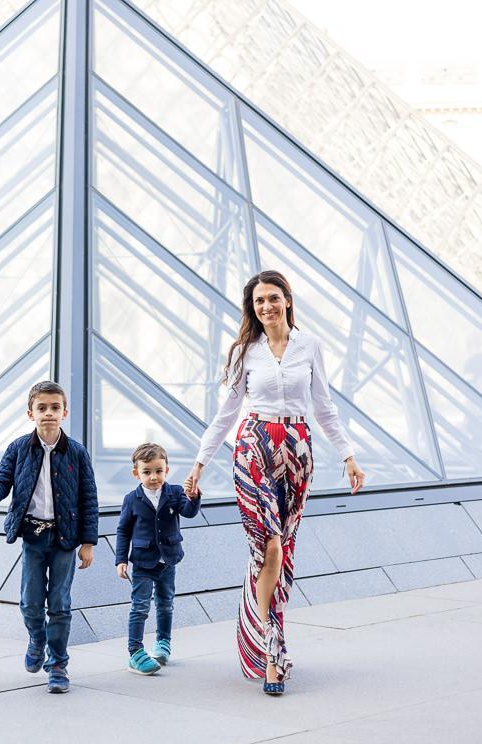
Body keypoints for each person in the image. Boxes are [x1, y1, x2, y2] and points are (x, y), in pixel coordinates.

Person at [184, 271, 365, 696]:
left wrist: (349, 456)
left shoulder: (310, 345)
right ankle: (272, 652)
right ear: (252, 307)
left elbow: (324, 407)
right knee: (269, 547)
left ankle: (261, 627)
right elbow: (225, 414)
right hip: (253, 447)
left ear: (288, 299)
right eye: (258, 301)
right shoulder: (244, 352)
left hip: (297, 450)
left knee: (281, 554)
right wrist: (198, 464)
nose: (266, 306)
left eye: (273, 298)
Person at [0, 380, 98, 694]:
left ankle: (58, 664)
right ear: (30, 413)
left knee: (59, 603)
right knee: (30, 603)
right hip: (32, 535)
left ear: (65, 412)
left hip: (65, 538)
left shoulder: (76, 452)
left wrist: (88, 543)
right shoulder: (18, 448)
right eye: (41, 408)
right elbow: (2, 482)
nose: (48, 413)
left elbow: (88, 498)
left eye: (54, 408)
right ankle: (37, 638)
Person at [114, 442, 201, 675]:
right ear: (136, 473)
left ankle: (163, 642)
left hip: (168, 561)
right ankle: (135, 652)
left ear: (167, 470)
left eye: (158, 471)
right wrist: (120, 559)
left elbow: (189, 512)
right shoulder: (132, 499)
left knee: (165, 604)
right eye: (147, 472)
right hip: (143, 562)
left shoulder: (174, 492)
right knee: (140, 606)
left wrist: (194, 496)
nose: (154, 477)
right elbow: (123, 530)